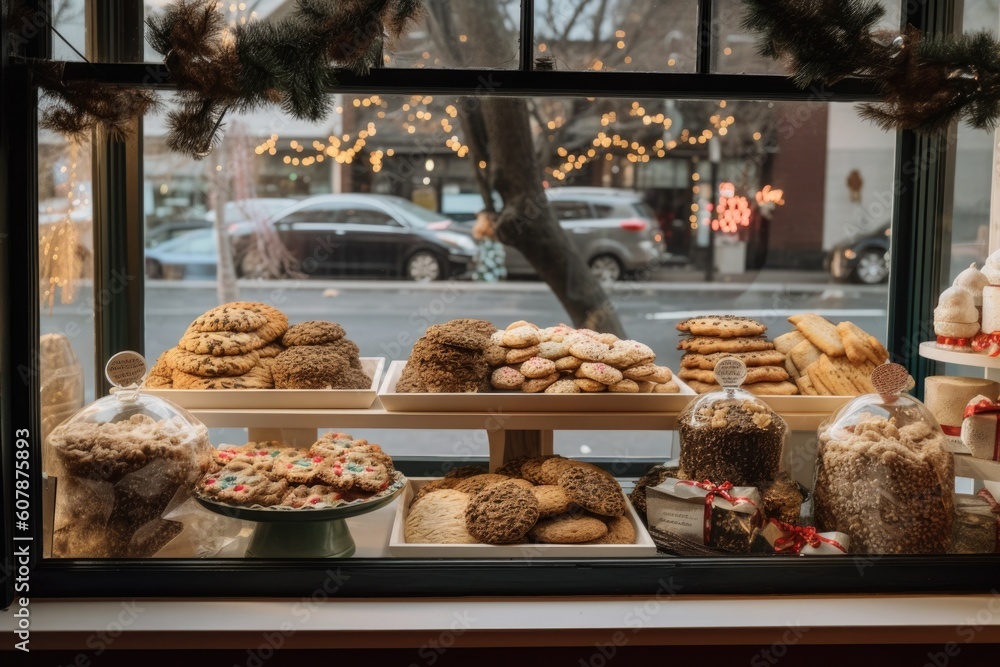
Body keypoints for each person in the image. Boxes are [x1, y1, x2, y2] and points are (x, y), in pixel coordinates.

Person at [471, 210, 507, 282]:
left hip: (487, 276)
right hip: (492, 275)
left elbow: (482, 259)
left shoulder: (486, 243)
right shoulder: (493, 241)